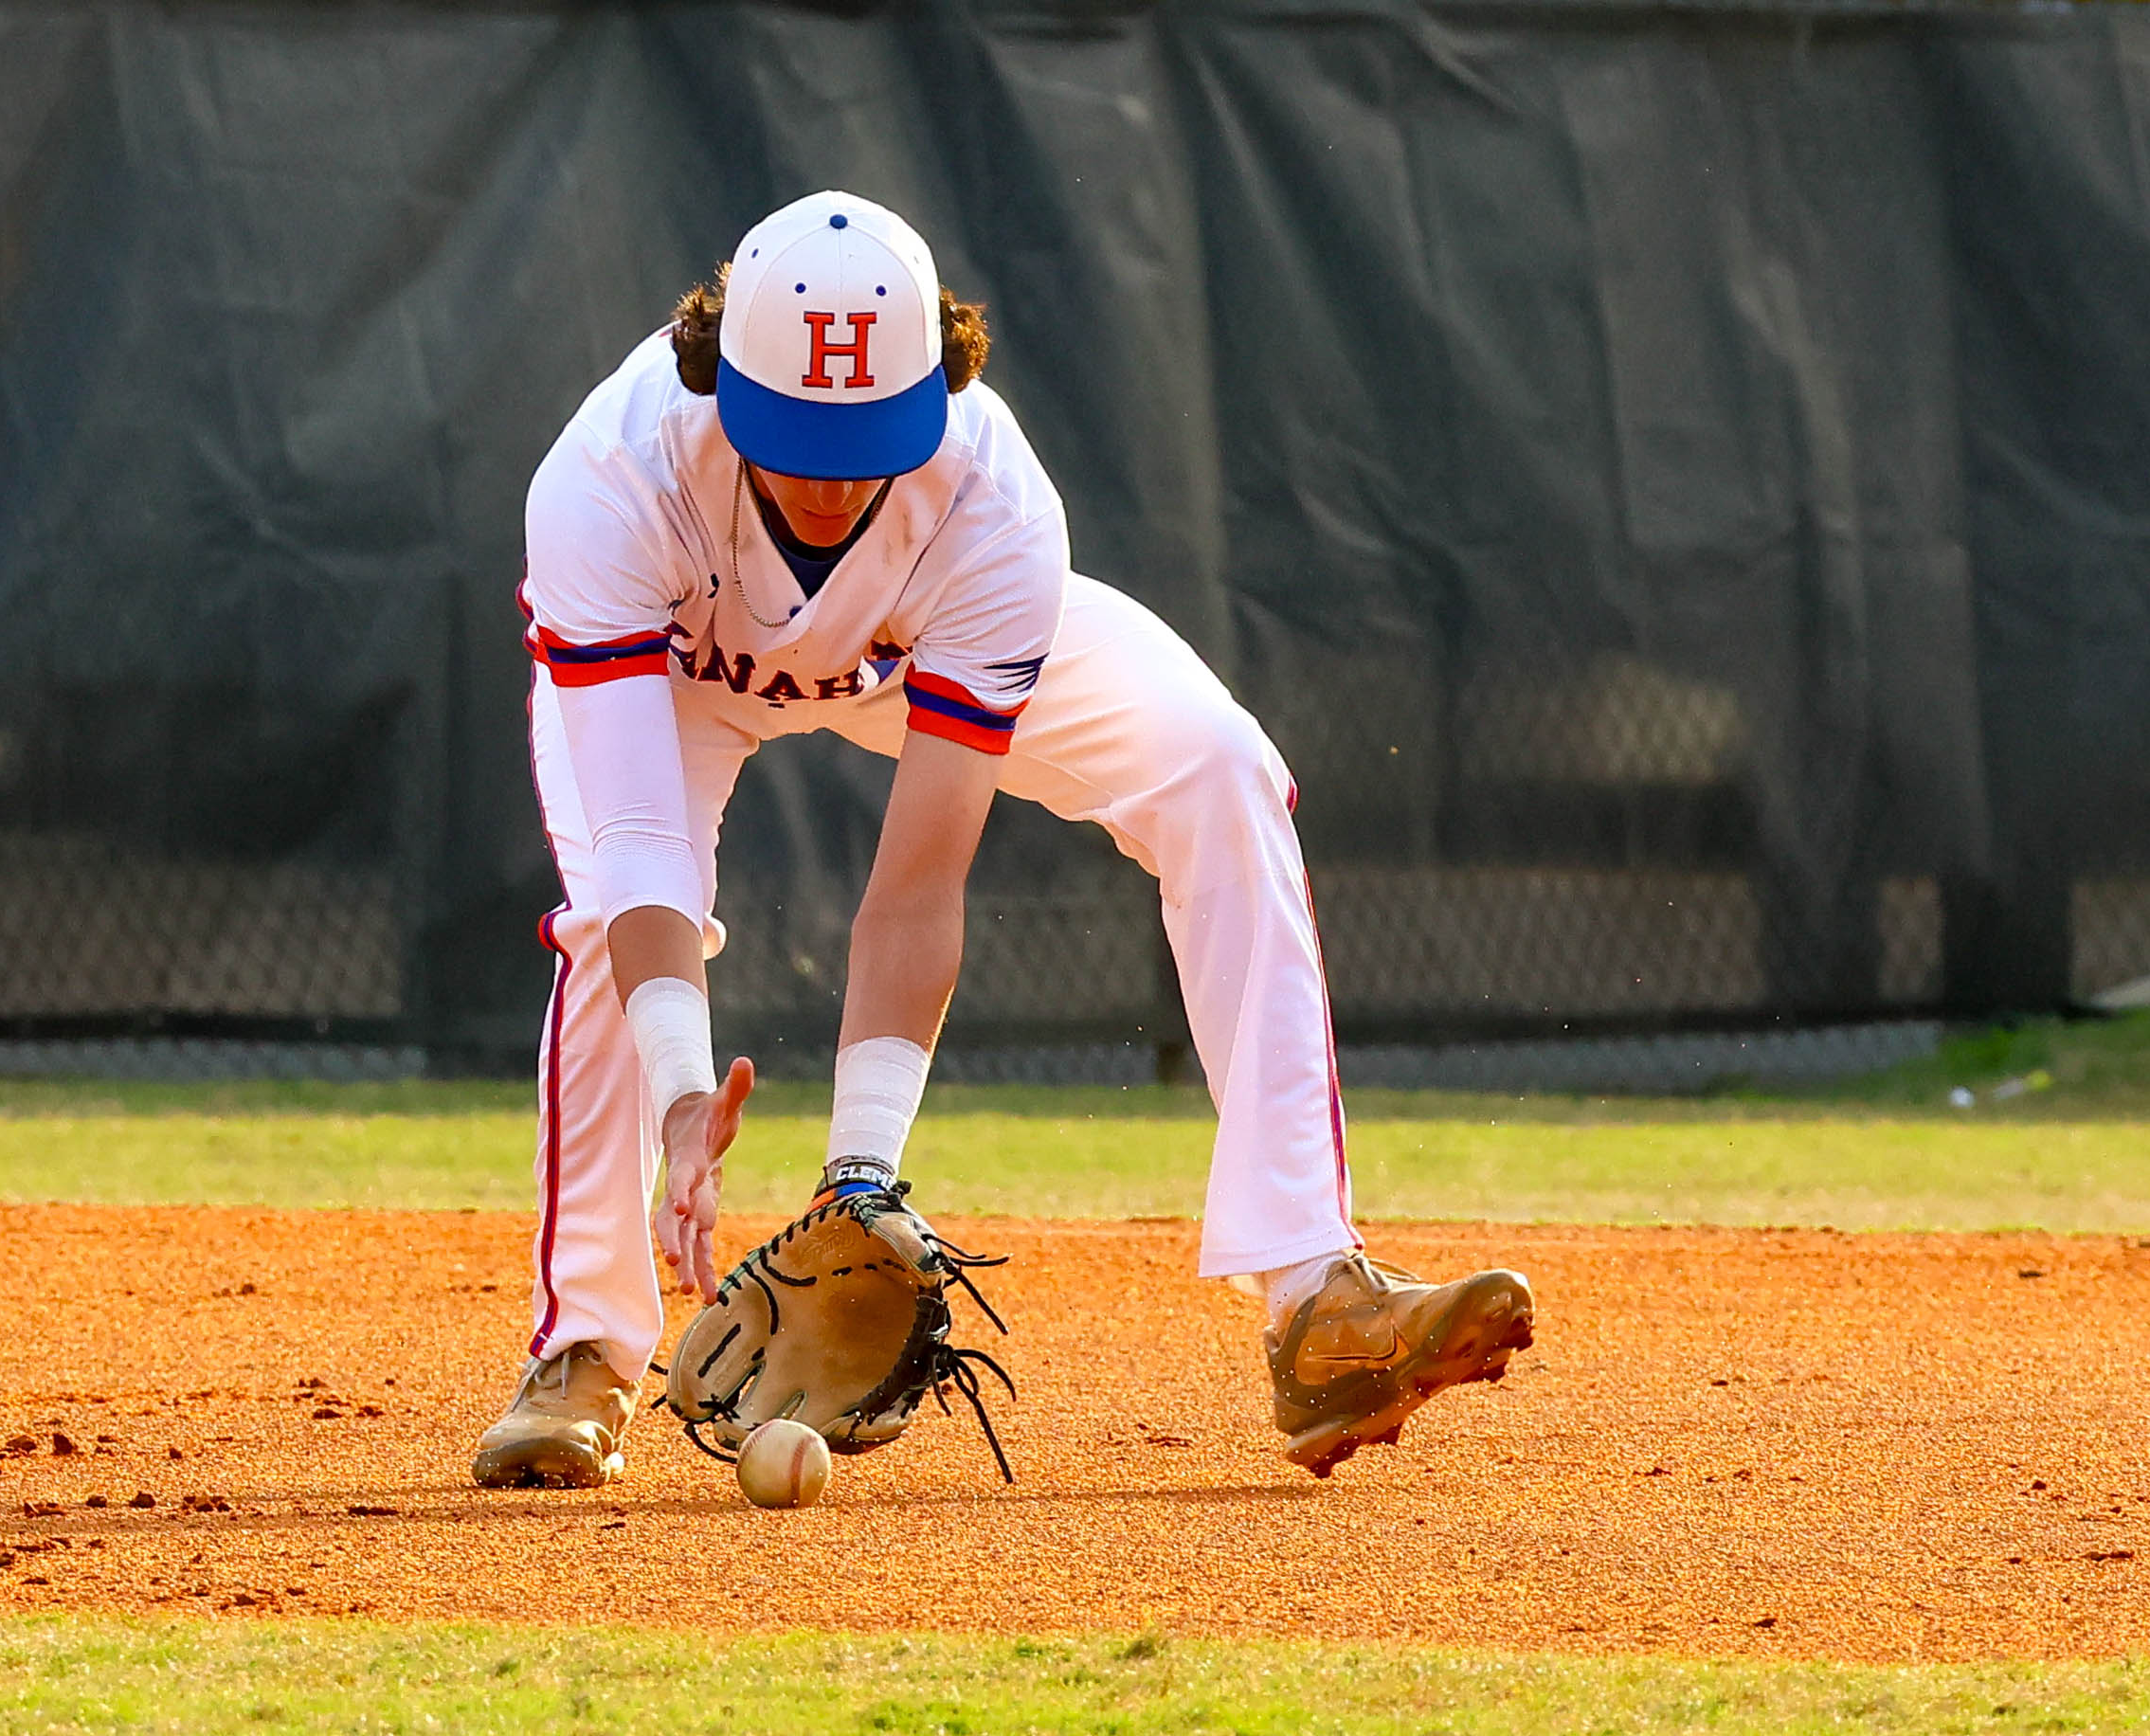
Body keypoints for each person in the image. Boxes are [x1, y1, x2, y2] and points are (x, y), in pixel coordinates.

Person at [473, 190, 1533, 1490]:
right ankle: (586, 1346)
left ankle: (1317, 1295)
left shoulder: (990, 503)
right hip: (677, 676)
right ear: (716, 379)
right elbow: (640, 841)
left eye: (867, 438)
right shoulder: (613, 479)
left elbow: (918, 881)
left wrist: (859, 1173)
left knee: (1217, 765)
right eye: (795, 435)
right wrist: (686, 1098)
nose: (827, 476)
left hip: (902, 653)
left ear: (938, 392)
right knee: (609, 928)